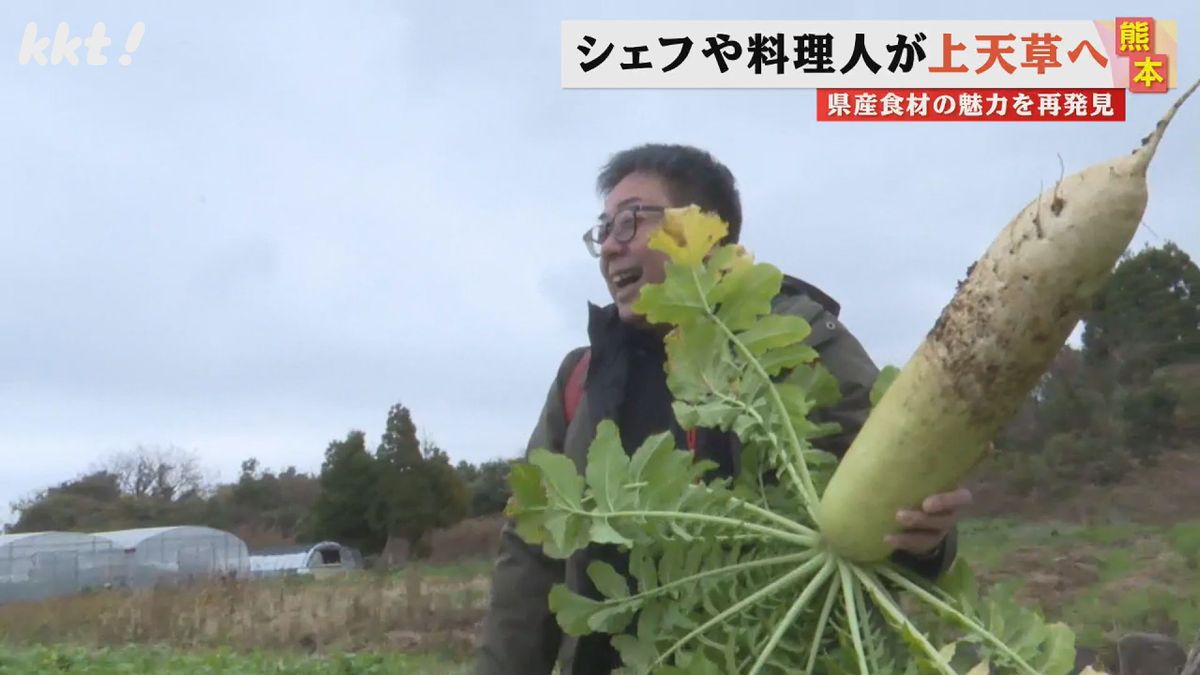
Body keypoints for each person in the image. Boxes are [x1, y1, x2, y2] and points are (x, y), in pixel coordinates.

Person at [475, 144, 973, 675]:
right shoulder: (580, 379)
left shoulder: (798, 341)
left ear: (704, 230)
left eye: (629, 223)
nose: (610, 248)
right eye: (603, 230)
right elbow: (530, 557)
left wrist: (926, 542)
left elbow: (894, 491)